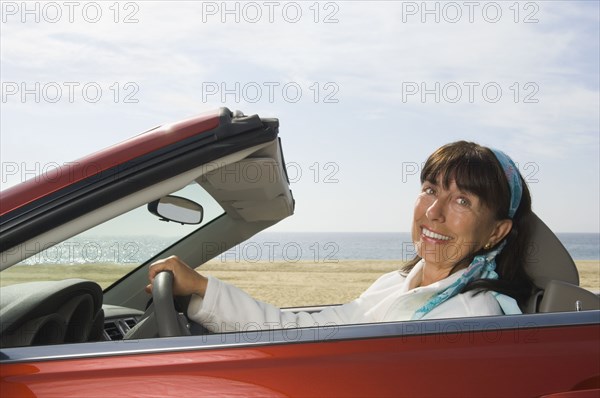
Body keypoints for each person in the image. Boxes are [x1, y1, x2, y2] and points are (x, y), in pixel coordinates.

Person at [147, 141, 535, 332]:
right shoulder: (396, 285)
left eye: (462, 200)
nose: (434, 212)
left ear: (496, 232)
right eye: (431, 190)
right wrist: (202, 288)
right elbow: (311, 331)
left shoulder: (472, 320)